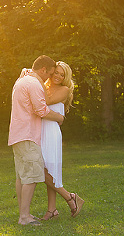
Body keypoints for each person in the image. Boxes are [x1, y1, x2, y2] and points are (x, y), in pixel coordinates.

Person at [8, 55, 66, 227]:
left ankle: (24, 213)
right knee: (32, 176)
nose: (49, 77)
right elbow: (41, 109)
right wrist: (59, 118)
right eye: (49, 74)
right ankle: (25, 217)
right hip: (28, 135)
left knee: (22, 177)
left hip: (18, 135)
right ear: (43, 70)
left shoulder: (22, 80)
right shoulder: (33, 84)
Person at [40, 60, 84, 220]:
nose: (58, 76)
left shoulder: (64, 89)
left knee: (45, 171)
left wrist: (38, 82)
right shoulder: (44, 86)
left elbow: (46, 102)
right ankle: (52, 210)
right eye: (56, 72)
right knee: (47, 170)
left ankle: (69, 197)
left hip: (51, 132)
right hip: (40, 131)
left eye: (61, 74)